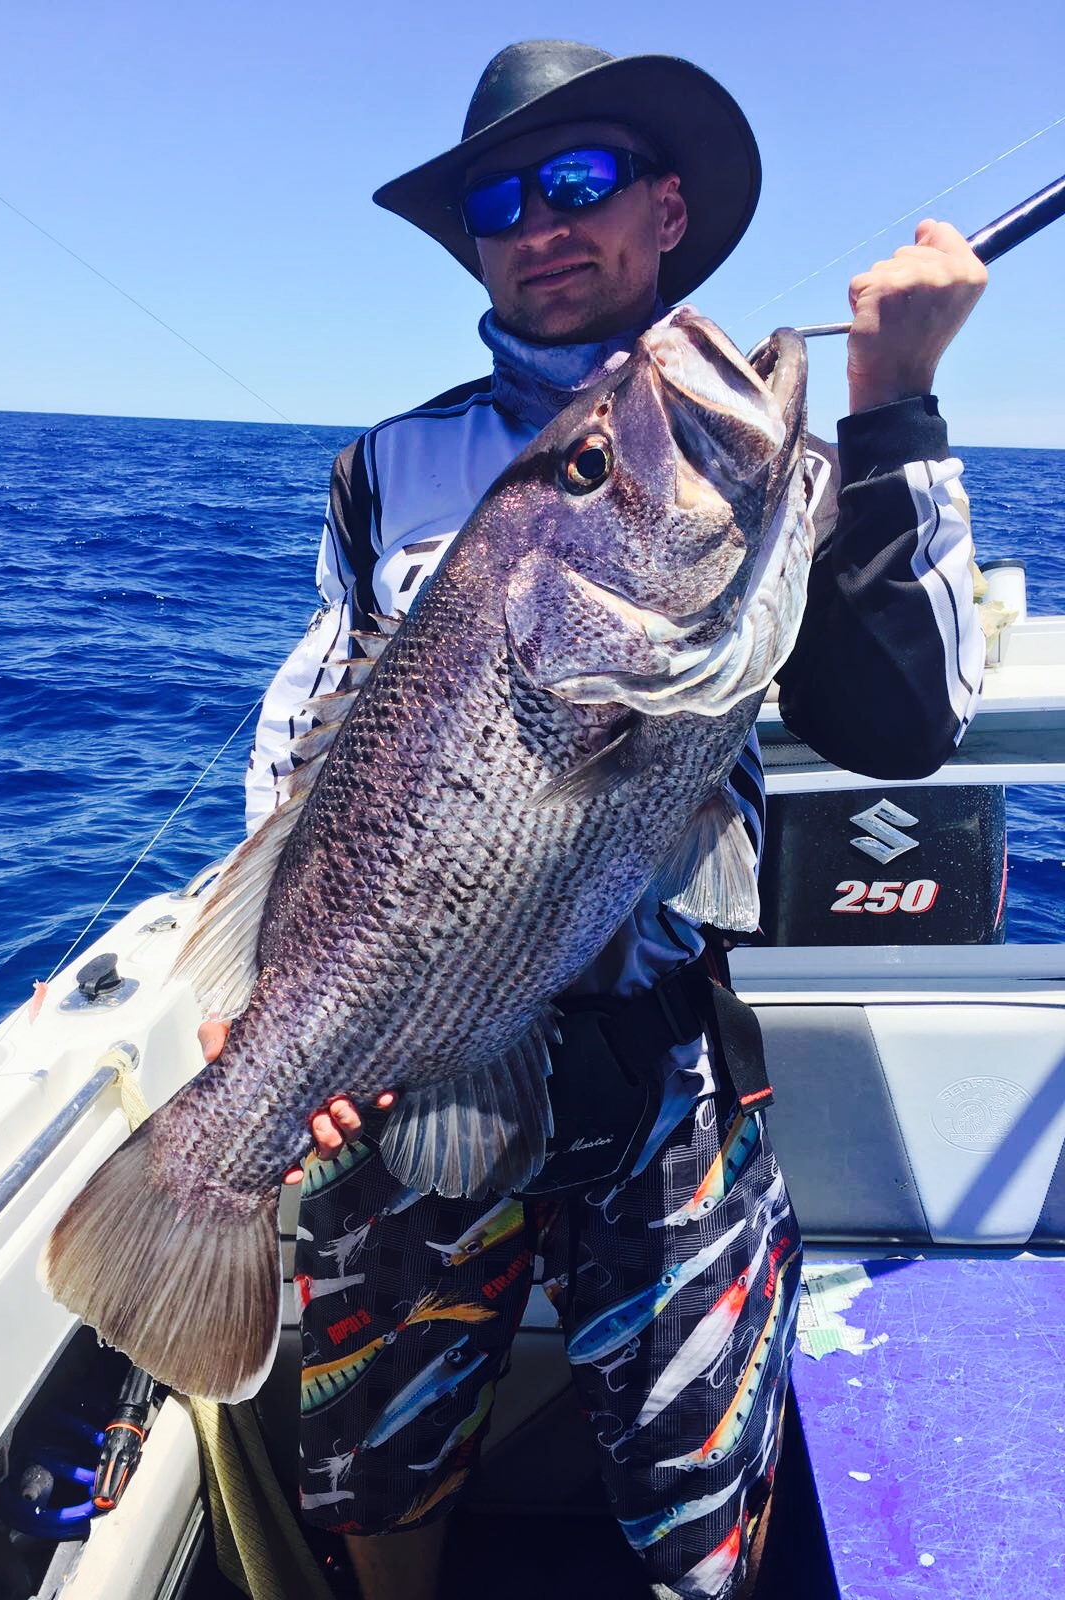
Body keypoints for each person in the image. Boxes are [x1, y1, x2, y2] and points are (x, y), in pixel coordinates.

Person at [202, 40, 986, 1600]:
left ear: (668, 207)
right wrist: (263, 1014)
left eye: (582, 181)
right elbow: (314, 737)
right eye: (501, 200)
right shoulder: (384, 470)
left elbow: (902, 727)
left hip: (663, 1065)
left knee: (703, 1492)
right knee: (379, 1451)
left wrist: (897, 406)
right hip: (408, 1048)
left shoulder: (774, 461)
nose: (540, 224)